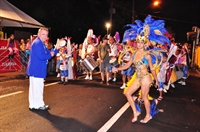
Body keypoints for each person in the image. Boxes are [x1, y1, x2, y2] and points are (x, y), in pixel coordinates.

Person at [113, 15, 170, 123]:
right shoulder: (134, 53)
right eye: (138, 42)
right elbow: (128, 65)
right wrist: (118, 68)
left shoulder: (147, 55)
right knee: (127, 93)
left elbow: (152, 69)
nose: (139, 45)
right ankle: (136, 112)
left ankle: (148, 115)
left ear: (145, 44)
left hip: (145, 78)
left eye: (141, 43)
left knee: (144, 97)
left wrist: (156, 81)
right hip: (138, 77)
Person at [26, 27, 58, 111]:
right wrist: (51, 55)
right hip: (37, 69)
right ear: (39, 34)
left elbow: (46, 52)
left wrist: (54, 51)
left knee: (33, 88)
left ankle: (33, 104)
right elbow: (42, 56)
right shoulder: (38, 43)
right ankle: (39, 104)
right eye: (43, 34)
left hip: (34, 69)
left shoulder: (39, 42)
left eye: (46, 35)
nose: (45, 36)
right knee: (38, 87)